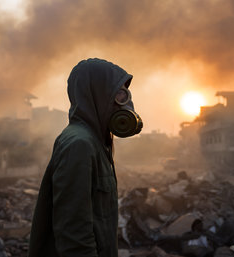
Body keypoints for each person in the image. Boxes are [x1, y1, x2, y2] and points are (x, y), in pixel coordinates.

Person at [28, 58, 143, 257]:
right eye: (118, 95)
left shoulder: (95, 142)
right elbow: (74, 236)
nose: (125, 104)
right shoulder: (79, 144)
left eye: (125, 95)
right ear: (97, 95)